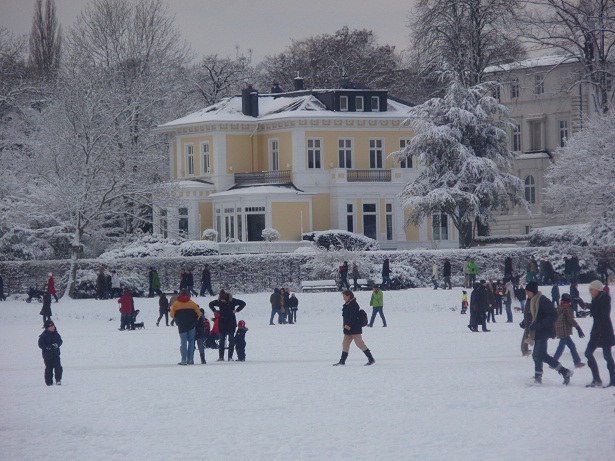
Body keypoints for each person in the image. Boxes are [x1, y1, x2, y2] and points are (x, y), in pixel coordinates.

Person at [521, 281, 573, 385]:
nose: (526, 293)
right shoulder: (530, 300)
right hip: (536, 332)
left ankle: (541, 377)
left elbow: (553, 315)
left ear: (533, 291)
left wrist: (540, 325)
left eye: (528, 291)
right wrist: (524, 323)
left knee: (538, 355)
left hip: (544, 332)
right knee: (541, 355)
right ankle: (560, 372)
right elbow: (531, 315)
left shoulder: (542, 300)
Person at [581, 280, 615, 387]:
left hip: (604, 331)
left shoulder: (604, 299)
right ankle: (596, 379)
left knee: (607, 356)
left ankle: (613, 380)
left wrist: (599, 331)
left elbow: (604, 317)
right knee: (588, 353)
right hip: (596, 331)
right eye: (590, 290)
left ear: (598, 290)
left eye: (592, 290)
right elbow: (596, 311)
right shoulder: (596, 299)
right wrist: (587, 306)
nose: (590, 292)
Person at [333, 290, 375, 366]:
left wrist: (348, 326)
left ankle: (371, 359)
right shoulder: (347, 304)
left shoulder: (354, 305)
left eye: (344, 296)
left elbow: (353, 317)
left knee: (360, 344)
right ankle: (342, 361)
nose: (343, 298)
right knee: (345, 344)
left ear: (348, 296)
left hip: (355, 329)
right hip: (348, 329)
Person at [209, 290, 246, 362]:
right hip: (222, 323)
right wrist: (214, 310)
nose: (222, 301)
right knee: (221, 340)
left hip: (231, 323)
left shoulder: (232, 301)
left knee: (231, 340)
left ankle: (230, 357)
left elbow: (243, 303)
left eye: (223, 300)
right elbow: (210, 304)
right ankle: (221, 357)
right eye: (221, 300)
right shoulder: (219, 301)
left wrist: (237, 310)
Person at [553, 293, 586, 369]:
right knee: (561, 347)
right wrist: (578, 328)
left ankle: (577, 361)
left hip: (559, 329)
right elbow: (571, 320)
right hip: (564, 330)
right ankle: (553, 362)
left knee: (572, 346)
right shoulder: (567, 308)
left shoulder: (559, 307)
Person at [170, 290, 202, 365]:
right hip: (191, 325)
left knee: (183, 342)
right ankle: (190, 359)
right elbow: (199, 313)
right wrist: (195, 320)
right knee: (191, 342)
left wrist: (177, 318)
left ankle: (183, 360)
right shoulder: (192, 303)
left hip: (181, 325)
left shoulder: (176, 304)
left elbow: (171, 315)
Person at [38, 320, 63, 386]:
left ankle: (58, 379)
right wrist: (47, 347)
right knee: (49, 368)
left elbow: (60, 341)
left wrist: (56, 345)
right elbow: (40, 344)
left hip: (56, 354)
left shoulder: (56, 334)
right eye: (51, 326)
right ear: (47, 328)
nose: (53, 327)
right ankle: (49, 382)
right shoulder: (43, 336)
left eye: (53, 326)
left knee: (58, 367)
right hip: (47, 355)